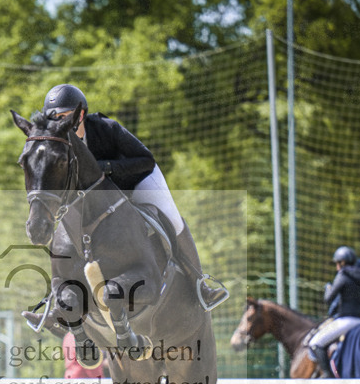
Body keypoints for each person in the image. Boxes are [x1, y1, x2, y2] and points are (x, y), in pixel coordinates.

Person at [40, 84, 228, 311]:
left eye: (63, 117)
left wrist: (105, 167)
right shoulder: (59, 145)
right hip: (104, 197)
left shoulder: (106, 128)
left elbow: (145, 160)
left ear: (81, 114)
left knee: (171, 217)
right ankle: (55, 301)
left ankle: (200, 284)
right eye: (53, 119)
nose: (59, 124)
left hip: (137, 180)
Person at [307, 246, 360, 378]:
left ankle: (327, 374)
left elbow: (328, 299)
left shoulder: (343, 275)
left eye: (337, 263)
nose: (336, 266)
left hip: (346, 320)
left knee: (315, 343)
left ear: (342, 262)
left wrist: (328, 288)